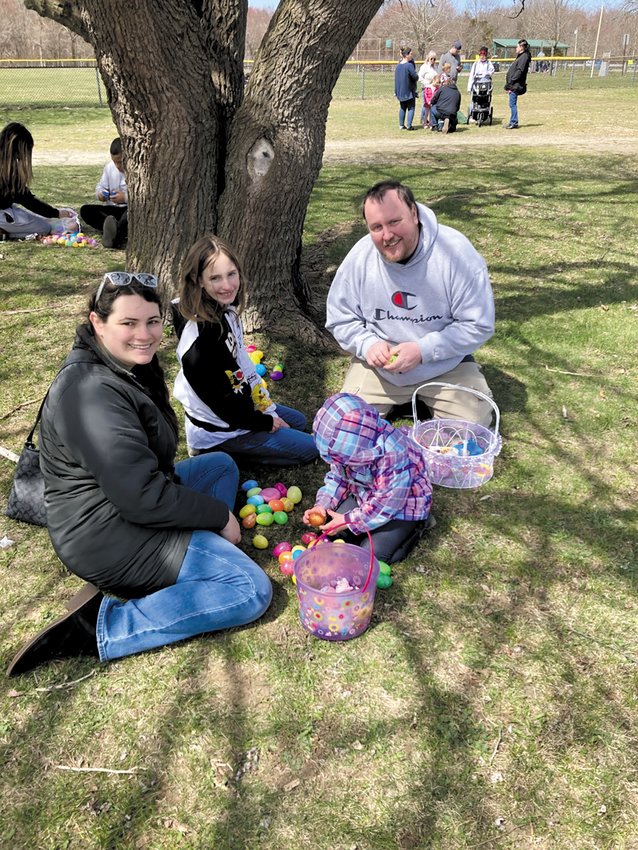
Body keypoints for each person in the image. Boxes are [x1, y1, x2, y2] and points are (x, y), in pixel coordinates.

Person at [7, 273, 272, 676]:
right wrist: (218, 517)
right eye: (128, 323)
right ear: (97, 322)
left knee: (219, 465)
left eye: (151, 321)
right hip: (109, 535)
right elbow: (141, 497)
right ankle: (103, 628)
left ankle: (196, 555)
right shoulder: (91, 393)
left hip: (131, 501)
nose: (144, 334)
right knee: (250, 590)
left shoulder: (122, 362)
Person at [325, 180, 495, 427]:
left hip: (443, 364)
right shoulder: (359, 259)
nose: (387, 235)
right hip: (381, 368)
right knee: (343, 428)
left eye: (395, 222)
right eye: (376, 227)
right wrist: (367, 344)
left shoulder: (456, 254)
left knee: (473, 429)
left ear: (414, 214)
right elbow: (339, 318)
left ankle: (425, 401)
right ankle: (402, 402)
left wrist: (422, 351)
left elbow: (478, 324)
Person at [173, 234, 318, 466]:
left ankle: (249, 441)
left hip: (238, 406)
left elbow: (241, 360)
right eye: (216, 278)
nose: (227, 285)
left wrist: (266, 406)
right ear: (199, 280)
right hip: (221, 427)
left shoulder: (222, 309)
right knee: (311, 449)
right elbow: (224, 406)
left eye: (231, 274)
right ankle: (219, 452)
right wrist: (264, 422)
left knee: (298, 421)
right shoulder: (199, 346)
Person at [303, 393, 433, 565]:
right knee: (334, 534)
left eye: (343, 460)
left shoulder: (395, 455)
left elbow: (387, 504)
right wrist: (323, 505)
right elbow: (338, 477)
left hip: (402, 507)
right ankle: (360, 523)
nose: (338, 463)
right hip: (366, 496)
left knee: (371, 556)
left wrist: (349, 520)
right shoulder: (348, 449)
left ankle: (417, 528)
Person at [0, 122, 75, 239]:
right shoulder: (8, 172)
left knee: (31, 218)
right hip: (2, 213)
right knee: (44, 228)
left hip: (6, 210)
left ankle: (4, 233)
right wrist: (56, 213)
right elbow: (28, 201)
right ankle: (5, 233)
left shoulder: (6, 166)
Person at [80, 137, 128, 249]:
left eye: (120, 162)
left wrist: (125, 197)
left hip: (130, 209)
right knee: (86, 210)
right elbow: (100, 187)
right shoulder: (109, 168)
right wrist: (101, 194)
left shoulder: (139, 169)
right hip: (113, 209)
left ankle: (115, 237)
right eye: (115, 162)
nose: (118, 166)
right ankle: (110, 227)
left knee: (128, 218)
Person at [504, 39, 531, 129]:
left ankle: (514, 122)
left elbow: (519, 71)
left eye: (517, 46)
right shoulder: (521, 56)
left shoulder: (524, 57)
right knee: (512, 103)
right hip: (514, 84)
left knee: (512, 104)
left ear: (522, 47)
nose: (516, 48)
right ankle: (512, 121)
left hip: (516, 85)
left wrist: (511, 81)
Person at [467, 47, 495, 123]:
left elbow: (492, 71)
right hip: (477, 85)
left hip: (486, 85)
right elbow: (471, 76)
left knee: (486, 98)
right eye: (481, 55)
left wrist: (487, 74)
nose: (482, 57)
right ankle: (473, 115)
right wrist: (469, 88)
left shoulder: (489, 64)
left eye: (484, 55)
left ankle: (486, 115)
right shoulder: (476, 64)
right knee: (474, 98)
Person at [394, 47, 418, 131]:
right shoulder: (409, 65)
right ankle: (409, 125)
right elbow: (415, 76)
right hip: (408, 91)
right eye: (411, 54)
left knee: (402, 107)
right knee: (411, 107)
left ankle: (401, 125)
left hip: (400, 91)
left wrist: (396, 91)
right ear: (406, 55)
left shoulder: (398, 66)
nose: (412, 55)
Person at [418, 51, 438, 129]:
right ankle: (424, 121)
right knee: (426, 105)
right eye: (431, 58)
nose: (433, 60)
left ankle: (431, 122)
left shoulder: (435, 67)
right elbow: (419, 77)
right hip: (426, 88)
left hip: (434, 89)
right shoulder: (424, 67)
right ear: (428, 58)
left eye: (434, 59)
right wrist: (427, 83)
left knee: (432, 105)